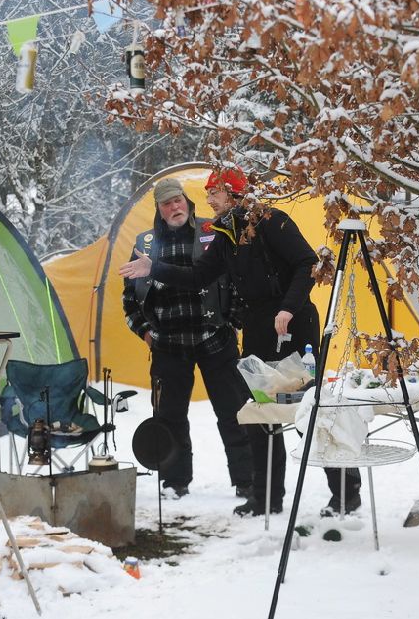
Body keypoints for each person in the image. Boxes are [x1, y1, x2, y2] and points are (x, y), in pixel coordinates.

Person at [120, 168, 362, 517]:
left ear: (234, 193)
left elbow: (307, 263)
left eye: (214, 193)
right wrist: (153, 268)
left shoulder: (271, 221)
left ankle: (345, 493)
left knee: (309, 412)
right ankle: (266, 498)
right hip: (258, 331)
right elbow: (198, 276)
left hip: (294, 328)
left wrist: (288, 307)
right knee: (261, 415)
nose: (208, 200)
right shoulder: (225, 234)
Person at [122, 177, 254, 499]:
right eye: (167, 203)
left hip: (215, 339)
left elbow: (238, 279)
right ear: (159, 209)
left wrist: (234, 322)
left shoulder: (213, 232)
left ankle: (247, 480)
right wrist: (145, 332)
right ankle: (174, 481)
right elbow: (129, 299)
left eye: (178, 200)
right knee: (169, 418)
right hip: (168, 345)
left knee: (234, 412)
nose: (174, 207)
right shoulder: (144, 245)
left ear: (187, 201)